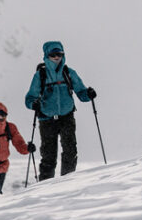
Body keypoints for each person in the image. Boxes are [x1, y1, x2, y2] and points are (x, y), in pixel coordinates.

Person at [24, 40, 96, 180]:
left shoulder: (69, 73)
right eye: (53, 54)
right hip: (47, 119)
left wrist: (89, 94)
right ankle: (45, 186)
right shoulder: (41, 75)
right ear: (46, 55)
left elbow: (81, 93)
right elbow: (29, 99)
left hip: (66, 116)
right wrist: (34, 104)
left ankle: (67, 182)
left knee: (70, 151)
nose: (57, 57)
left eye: (60, 54)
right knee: (49, 156)